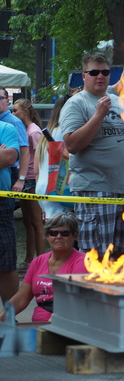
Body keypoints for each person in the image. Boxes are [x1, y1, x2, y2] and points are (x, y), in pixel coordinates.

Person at [59, 54, 124, 259]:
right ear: (84, 76)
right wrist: (98, 115)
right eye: (94, 72)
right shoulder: (77, 103)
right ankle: (94, 292)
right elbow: (72, 145)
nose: (100, 76)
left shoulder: (117, 100)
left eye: (105, 72)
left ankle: (119, 292)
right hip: (95, 189)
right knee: (97, 259)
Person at [0, 212, 87, 322]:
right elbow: (21, 299)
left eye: (65, 233)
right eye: (53, 233)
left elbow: (75, 302)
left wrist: (52, 326)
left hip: (67, 324)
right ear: (47, 235)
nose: (59, 237)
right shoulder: (37, 262)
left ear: (74, 236)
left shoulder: (82, 262)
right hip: (39, 324)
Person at [12, 99, 45, 273]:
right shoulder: (25, 130)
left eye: (15, 110)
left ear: (25, 111)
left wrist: (38, 183)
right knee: (27, 221)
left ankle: (41, 261)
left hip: (33, 180)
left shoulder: (34, 132)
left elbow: (41, 157)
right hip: (26, 180)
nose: (13, 113)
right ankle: (29, 259)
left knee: (36, 221)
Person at [35, 95, 73, 220]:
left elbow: (37, 171)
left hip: (43, 187)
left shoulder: (45, 135)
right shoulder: (66, 133)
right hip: (59, 188)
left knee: (54, 231)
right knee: (64, 234)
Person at [0, 121, 20, 305]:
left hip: (2, 204)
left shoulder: (6, 128)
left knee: (6, 264)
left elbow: (8, 159)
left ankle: (9, 318)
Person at [0, 87, 29, 194]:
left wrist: (21, 179)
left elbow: (25, 151)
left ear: (8, 101)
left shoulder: (14, 122)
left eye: (0, 98)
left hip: (11, 171)